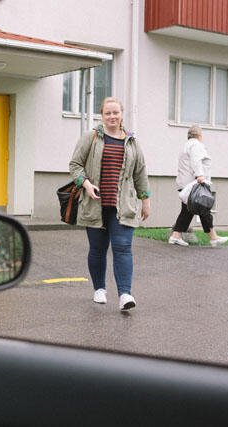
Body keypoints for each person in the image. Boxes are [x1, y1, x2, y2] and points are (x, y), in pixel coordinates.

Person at [69, 97, 150, 310]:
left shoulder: (132, 141)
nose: (112, 117)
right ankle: (99, 289)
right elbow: (75, 165)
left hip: (122, 206)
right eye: (108, 113)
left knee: (123, 248)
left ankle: (125, 294)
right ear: (102, 115)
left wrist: (145, 200)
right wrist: (86, 184)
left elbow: (140, 172)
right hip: (95, 204)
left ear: (122, 114)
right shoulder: (91, 137)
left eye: (116, 112)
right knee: (97, 249)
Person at [168, 124, 228, 247]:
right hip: (194, 183)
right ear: (199, 135)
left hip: (186, 183)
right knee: (203, 208)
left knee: (188, 211)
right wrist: (200, 176)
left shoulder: (187, 145)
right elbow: (196, 160)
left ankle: (176, 236)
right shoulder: (196, 145)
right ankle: (213, 237)